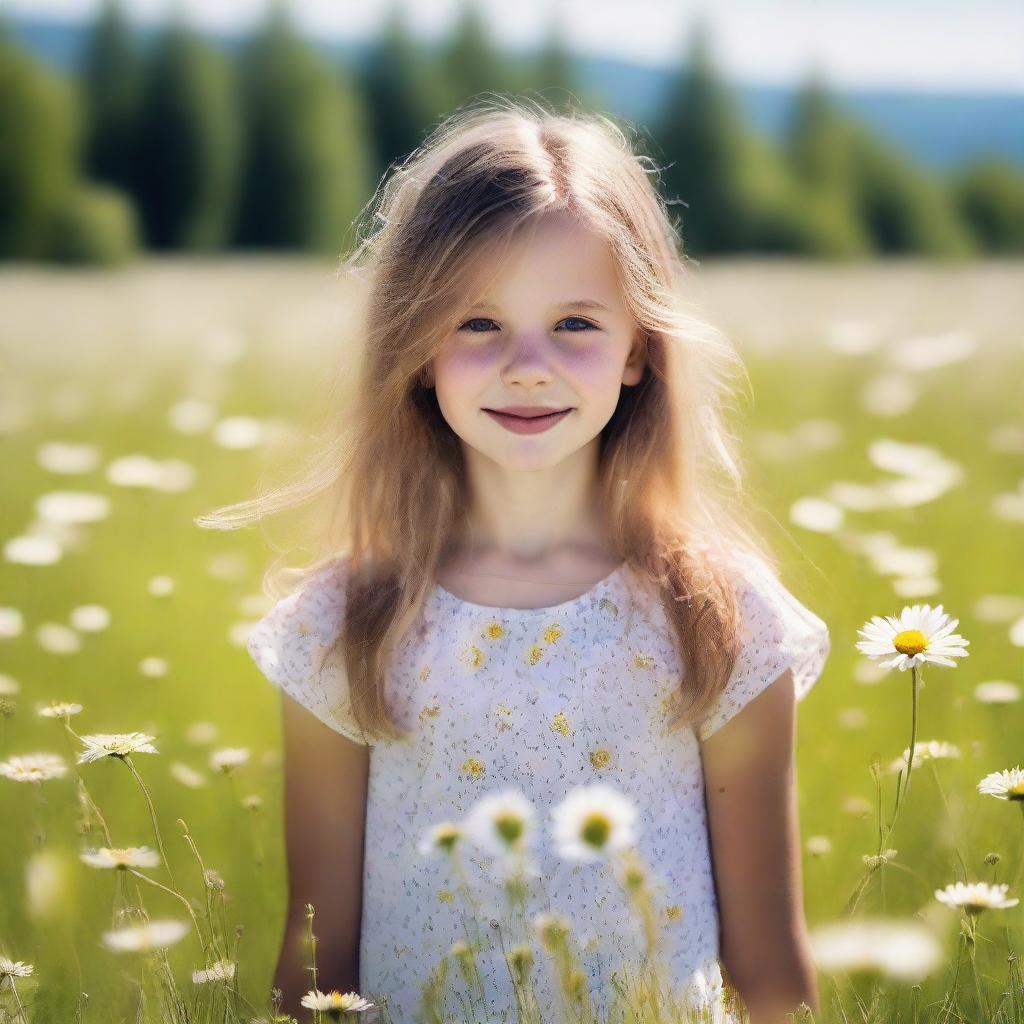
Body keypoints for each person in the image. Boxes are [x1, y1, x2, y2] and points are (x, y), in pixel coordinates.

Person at [219, 96, 832, 1024]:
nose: (527, 365)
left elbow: (772, 976)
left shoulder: (720, 617)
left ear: (640, 350)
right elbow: (315, 968)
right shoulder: (345, 623)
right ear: (416, 347)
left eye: (577, 324)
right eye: (477, 324)